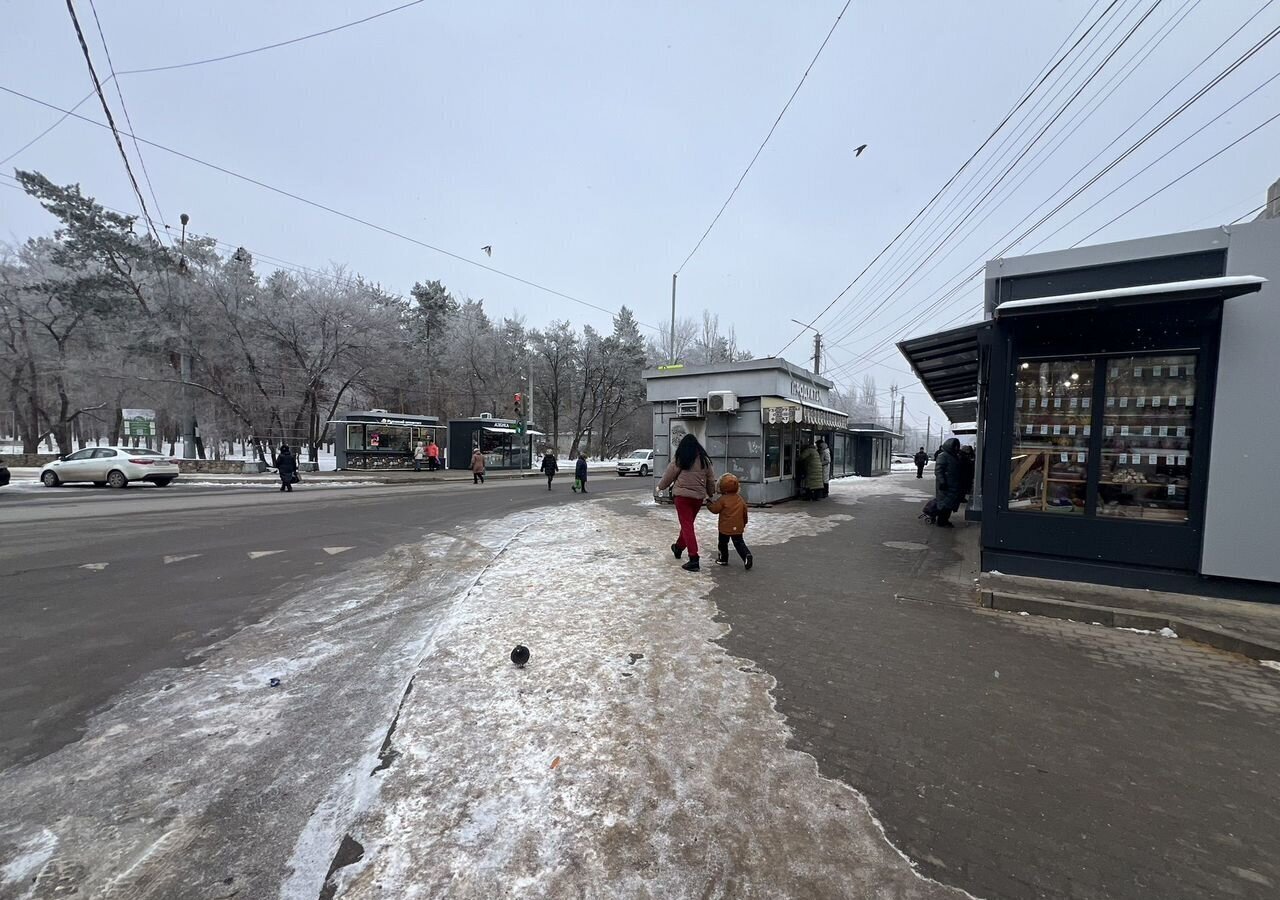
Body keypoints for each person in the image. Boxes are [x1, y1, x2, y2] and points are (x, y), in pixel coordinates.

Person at [657, 433, 716, 571]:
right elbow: (710, 479)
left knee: (687, 525)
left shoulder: (680, 458)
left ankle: (693, 558)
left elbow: (668, 475)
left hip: (682, 497)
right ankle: (678, 547)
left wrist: (661, 486)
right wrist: (711, 493)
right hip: (697, 498)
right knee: (687, 524)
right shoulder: (704, 460)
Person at [709, 473, 752, 570]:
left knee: (723, 543)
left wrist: (708, 503)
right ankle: (747, 555)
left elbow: (715, 509)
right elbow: (745, 512)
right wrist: (744, 523)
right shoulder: (740, 499)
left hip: (724, 528)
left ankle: (723, 559)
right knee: (739, 543)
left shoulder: (723, 499)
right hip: (738, 526)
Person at [933, 438, 963, 527]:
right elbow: (938, 470)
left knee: (950, 503)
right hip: (945, 485)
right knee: (944, 503)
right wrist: (942, 482)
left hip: (953, 484)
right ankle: (941, 521)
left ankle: (945, 520)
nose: (957, 448)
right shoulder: (943, 456)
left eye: (957, 446)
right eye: (955, 446)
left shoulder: (954, 456)